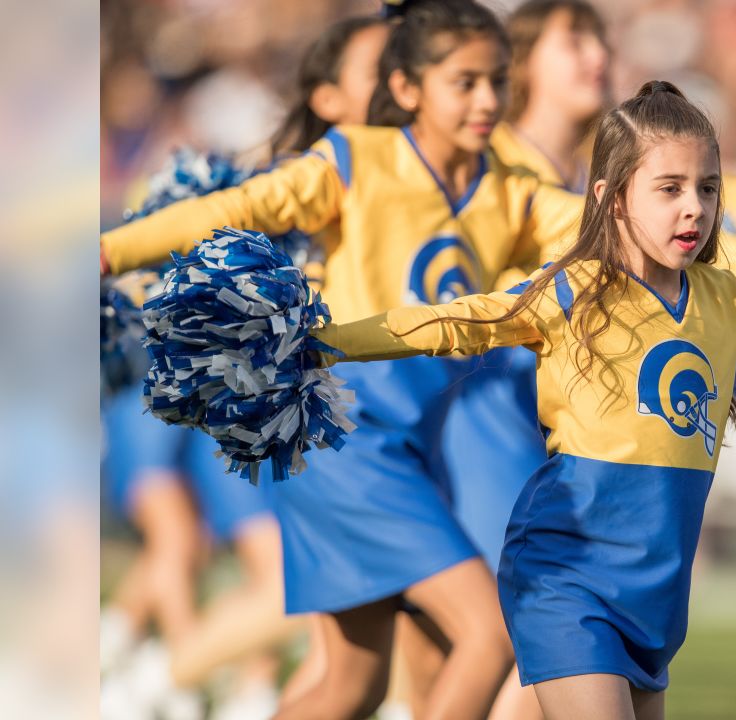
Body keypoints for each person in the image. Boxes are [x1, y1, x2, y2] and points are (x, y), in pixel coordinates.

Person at [312, 81, 736, 720]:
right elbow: (454, 320)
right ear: (610, 198)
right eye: (668, 189)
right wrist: (324, 342)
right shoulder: (572, 290)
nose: (693, 209)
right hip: (567, 574)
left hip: (658, 593)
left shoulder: (722, 301)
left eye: (707, 188)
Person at [99, 2, 584, 716]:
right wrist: (109, 250)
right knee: (487, 636)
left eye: (497, 81)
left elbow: (614, 232)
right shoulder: (355, 162)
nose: (487, 100)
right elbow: (233, 209)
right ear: (408, 86)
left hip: (408, 449)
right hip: (345, 440)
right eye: (465, 81)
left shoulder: (504, 190)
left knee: (350, 686)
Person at [100, 16, 393, 719]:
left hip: (323, 420)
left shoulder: (387, 178)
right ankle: (139, 683)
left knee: (325, 608)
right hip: (255, 417)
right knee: (276, 581)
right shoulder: (284, 184)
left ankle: (210, 683)